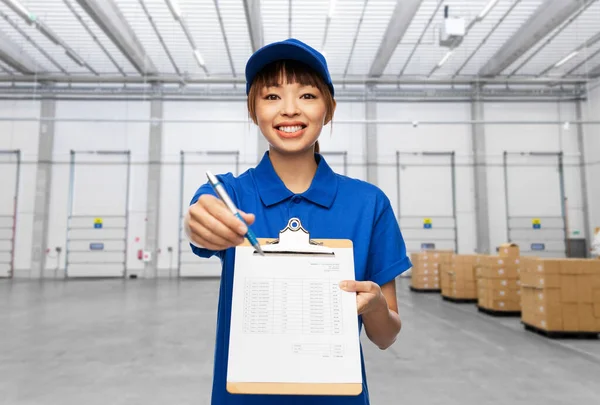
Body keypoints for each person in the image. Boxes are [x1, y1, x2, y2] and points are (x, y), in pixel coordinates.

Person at [184, 38, 412, 405]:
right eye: (271, 97)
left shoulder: (369, 204)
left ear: (329, 108)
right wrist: (201, 223)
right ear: (252, 110)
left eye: (307, 95)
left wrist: (375, 308)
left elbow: (385, 337)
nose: (289, 110)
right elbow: (203, 216)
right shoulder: (232, 194)